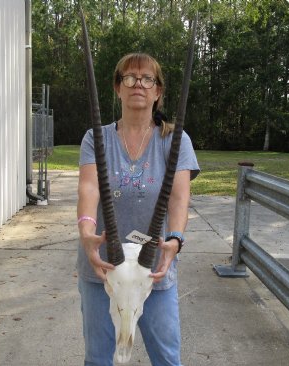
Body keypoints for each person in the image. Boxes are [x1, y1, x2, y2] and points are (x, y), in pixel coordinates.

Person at [77, 52, 200, 366]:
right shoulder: (96, 138)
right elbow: (90, 188)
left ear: (158, 91)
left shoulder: (176, 141)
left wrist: (175, 239)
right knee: (98, 358)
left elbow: (178, 199)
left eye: (148, 79)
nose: (138, 85)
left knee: (167, 358)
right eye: (129, 77)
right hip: (104, 268)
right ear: (118, 87)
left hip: (154, 268)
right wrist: (86, 231)